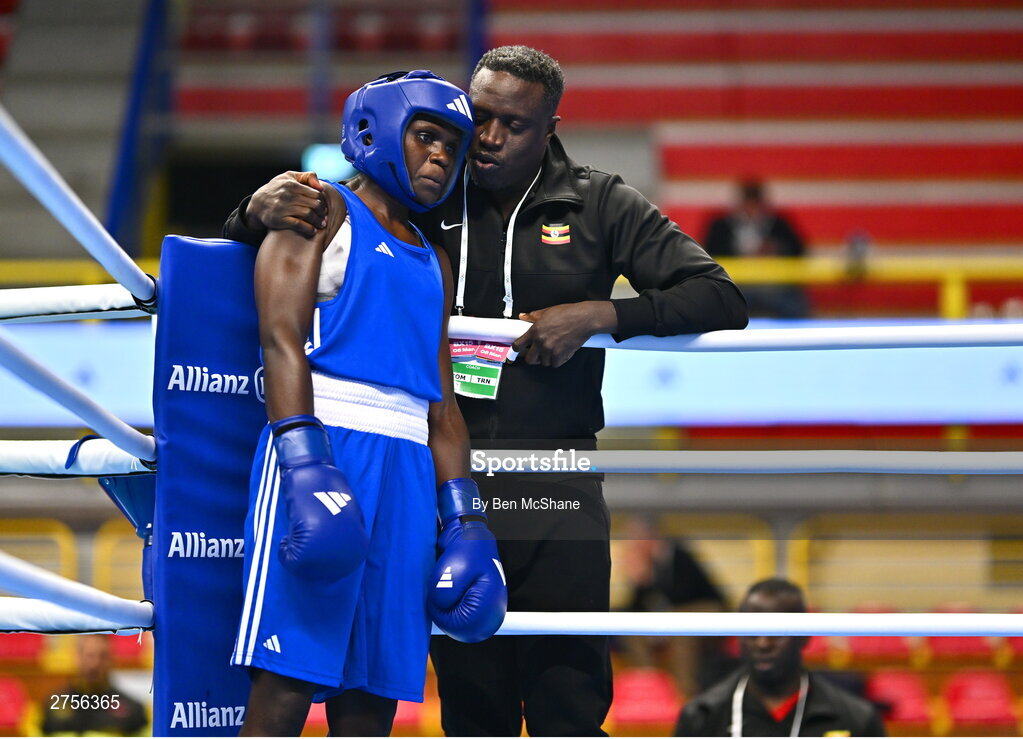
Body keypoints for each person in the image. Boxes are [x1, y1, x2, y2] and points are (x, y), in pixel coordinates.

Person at [224, 46, 748, 736]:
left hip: (547, 470)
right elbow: (302, 233)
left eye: (514, 125)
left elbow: (718, 295)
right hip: (432, 466)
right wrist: (253, 207)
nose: (485, 139)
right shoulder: (420, 190)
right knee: (466, 697)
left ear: (549, 128)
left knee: (565, 686)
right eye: (480, 119)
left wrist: (602, 315)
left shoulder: (597, 201)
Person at [228, 70, 506, 736]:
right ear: (375, 132)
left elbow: (442, 406)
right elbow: (281, 339)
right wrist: (304, 462)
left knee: (372, 698)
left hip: (408, 467)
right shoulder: (317, 209)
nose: (441, 155)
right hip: (326, 444)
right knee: (287, 681)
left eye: (452, 145)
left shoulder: (432, 260)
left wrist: (464, 516)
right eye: (426, 137)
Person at [674, 578, 886, 737]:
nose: (763, 643)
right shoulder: (701, 717)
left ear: (804, 636)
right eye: (752, 632)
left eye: (777, 632)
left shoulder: (855, 717)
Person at [615, 516, 734, 696]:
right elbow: (637, 606)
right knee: (633, 630)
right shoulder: (647, 563)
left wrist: (650, 579)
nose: (631, 544)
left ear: (650, 537)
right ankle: (651, 687)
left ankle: (685, 693)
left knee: (680, 628)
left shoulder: (678, 554)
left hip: (708, 609)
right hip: (673, 614)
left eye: (634, 538)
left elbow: (684, 595)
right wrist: (639, 582)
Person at [703, 180, 810, 319]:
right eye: (747, 204)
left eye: (755, 205)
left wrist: (775, 249)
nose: (751, 209)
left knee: (793, 304)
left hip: (774, 287)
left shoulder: (779, 223)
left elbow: (799, 250)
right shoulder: (720, 225)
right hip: (736, 286)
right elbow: (709, 254)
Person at [40, 634, 148, 736]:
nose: (95, 664)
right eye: (90, 655)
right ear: (77, 657)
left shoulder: (132, 709)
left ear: (112, 660)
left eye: (102, 656)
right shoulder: (52, 704)